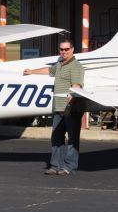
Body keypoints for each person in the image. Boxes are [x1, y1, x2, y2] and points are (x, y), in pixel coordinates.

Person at [23, 39, 84, 176]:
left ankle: (69, 167)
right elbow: (49, 70)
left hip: (71, 108)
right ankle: (56, 165)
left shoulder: (76, 66)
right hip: (57, 107)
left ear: (72, 50)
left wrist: (71, 99)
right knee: (56, 137)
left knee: (72, 139)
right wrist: (32, 71)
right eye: (62, 49)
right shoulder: (60, 64)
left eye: (66, 49)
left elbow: (77, 85)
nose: (64, 52)